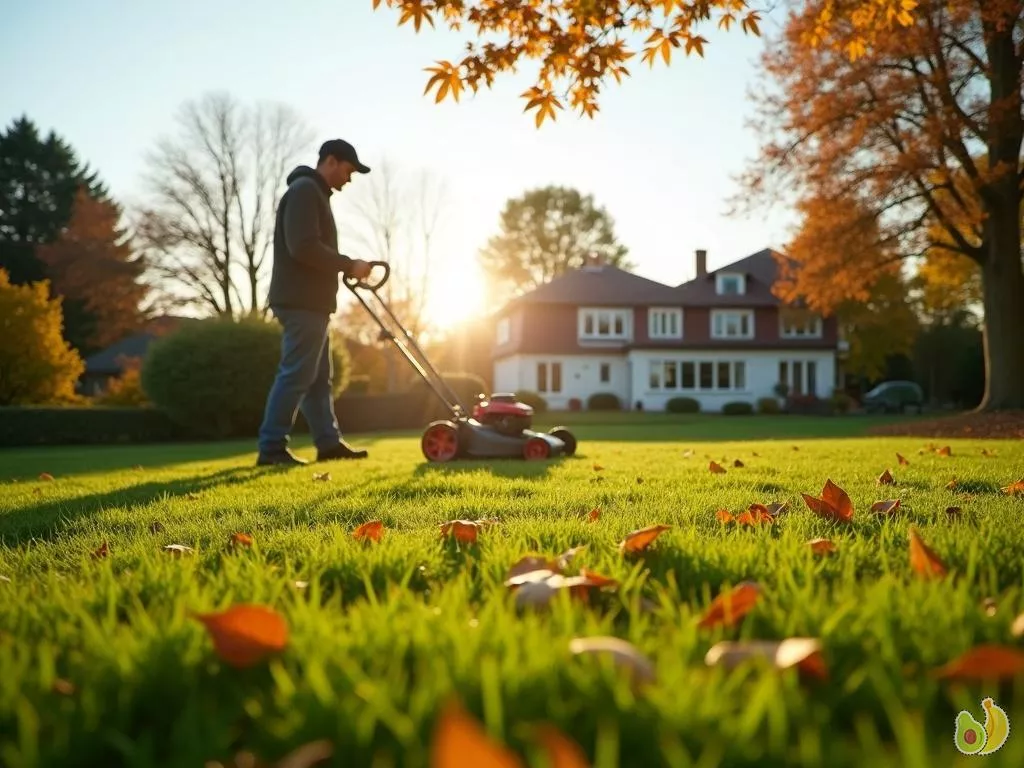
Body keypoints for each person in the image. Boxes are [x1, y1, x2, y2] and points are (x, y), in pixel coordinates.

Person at [256, 139, 374, 466]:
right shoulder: (306, 191)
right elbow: (303, 247)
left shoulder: (313, 193)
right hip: (300, 301)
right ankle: (271, 448)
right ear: (332, 161)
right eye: (349, 171)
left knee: (319, 379)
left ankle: (328, 443)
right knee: (296, 374)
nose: (349, 179)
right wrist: (349, 264)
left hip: (312, 303)